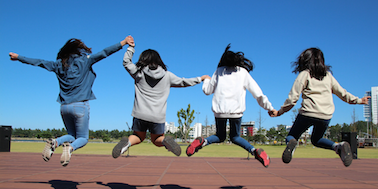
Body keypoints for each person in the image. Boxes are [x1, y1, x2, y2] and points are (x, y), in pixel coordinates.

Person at [9, 36, 129, 166]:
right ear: (79, 51)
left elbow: (39, 62)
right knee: (82, 138)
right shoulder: (85, 61)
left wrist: (19, 57)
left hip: (64, 107)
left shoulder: (59, 65)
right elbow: (105, 52)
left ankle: (55, 142)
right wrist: (123, 42)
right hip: (80, 106)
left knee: (72, 135)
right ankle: (70, 148)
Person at [112, 36, 210, 158]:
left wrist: (131, 48)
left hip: (140, 114)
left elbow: (126, 62)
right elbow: (183, 82)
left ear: (143, 60)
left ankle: (126, 143)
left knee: (138, 136)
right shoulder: (167, 76)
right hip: (157, 116)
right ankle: (165, 141)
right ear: (159, 60)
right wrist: (200, 79)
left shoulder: (139, 73)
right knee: (157, 139)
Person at [270, 47, 370, 167]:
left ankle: (292, 143)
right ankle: (338, 146)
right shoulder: (328, 76)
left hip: (307, 113)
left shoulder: (304, 74)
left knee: (292, 136)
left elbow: (292, 99)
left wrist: (280, 112)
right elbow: (342, 94)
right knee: (316, 140)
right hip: (325, 115)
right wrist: (359, 100)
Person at [186, 44, 275, 168]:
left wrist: (206, 79)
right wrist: (269, 108)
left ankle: (203, 141)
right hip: (236, 112)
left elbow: (207, 91)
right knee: (235, 137)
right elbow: (257, 93)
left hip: (220, 111)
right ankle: (255, 151)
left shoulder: (218, 72)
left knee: (220, 136)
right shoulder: (243, 73)